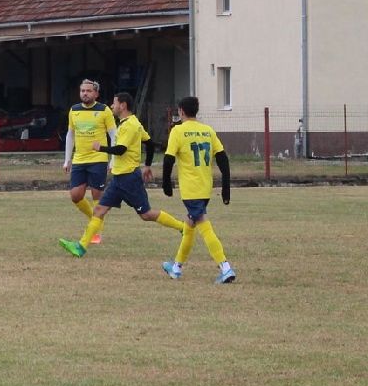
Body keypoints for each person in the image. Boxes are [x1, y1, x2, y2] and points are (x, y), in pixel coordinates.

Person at [59, 92, 186, 257]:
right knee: (98, 210)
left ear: (123, 105)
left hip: (129, 179)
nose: (112, 106)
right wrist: (146, 165)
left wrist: (101, 148)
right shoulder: (129, 123)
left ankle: (183, 227)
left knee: (146, 214)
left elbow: (121, 150)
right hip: (118, 179)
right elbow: (149, 143)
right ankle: (80, 247)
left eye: (114, 103)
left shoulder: (130, 125)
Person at [159, 96, 237, 284]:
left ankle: (225, 267)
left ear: (181, 111)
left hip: (191, 189)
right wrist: (226, 187)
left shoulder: (177, 131)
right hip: (205, 187)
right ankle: (176, 267)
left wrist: (166, 184)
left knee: (203, 225)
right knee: (189, 226)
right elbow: (223, 159)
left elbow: (168, 159)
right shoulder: (207, 130)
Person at [63, 79, 118, 244]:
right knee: (75, 195)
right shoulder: (74, 110)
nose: (85, 93)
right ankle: (94, 218)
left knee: (97, 196)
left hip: (98, 159)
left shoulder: (104, 110)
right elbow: (70, 135)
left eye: (88, 91)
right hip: (79, 159)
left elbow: (114, 135)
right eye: (82, 91)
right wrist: (67, 159)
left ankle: (96, 232)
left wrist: (112, 160)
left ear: (96, 93)